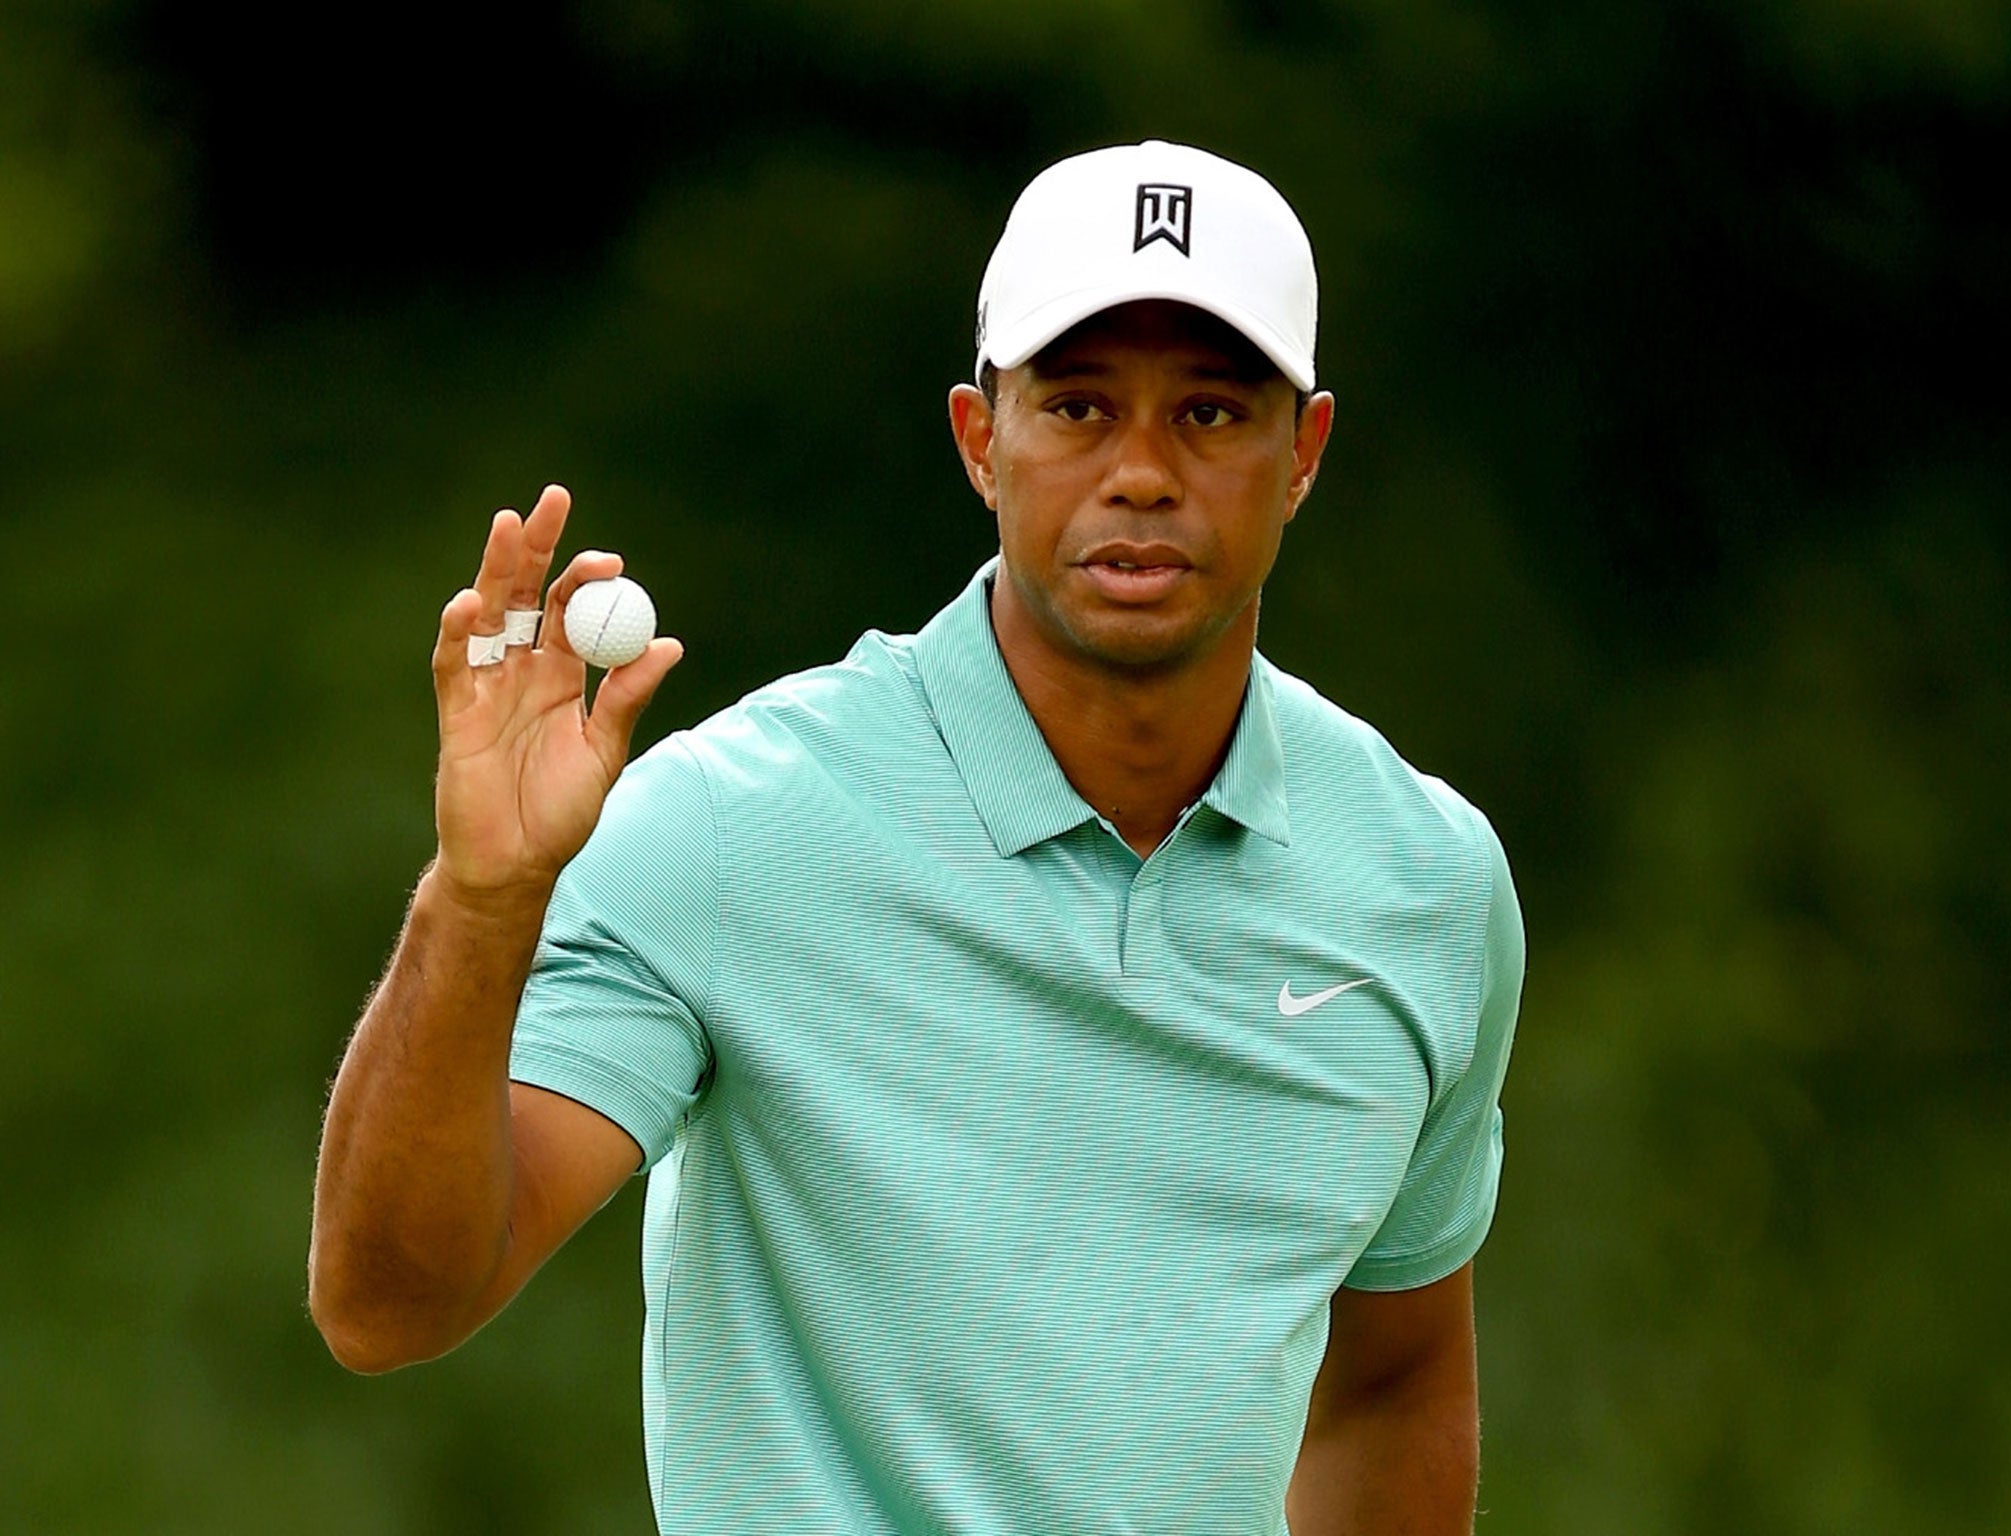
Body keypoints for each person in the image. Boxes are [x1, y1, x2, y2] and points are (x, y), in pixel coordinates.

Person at [310, 140, 1524, 1536]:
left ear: (1300, 451)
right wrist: (480, 898)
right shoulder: (733, 825)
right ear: (978, 438)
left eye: (1208, 412)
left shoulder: (1425, 879)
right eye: (1076, 406)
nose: (1140, 472)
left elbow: (1396, 1386)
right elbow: (386, 1303)